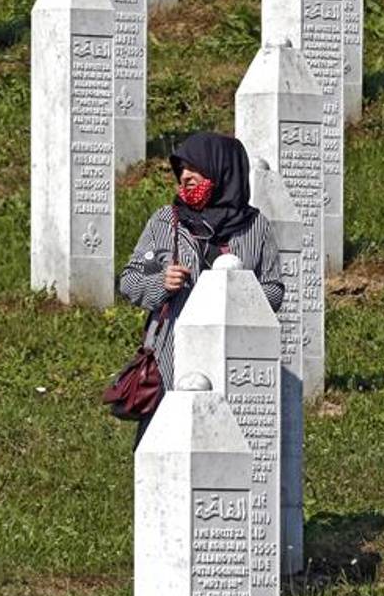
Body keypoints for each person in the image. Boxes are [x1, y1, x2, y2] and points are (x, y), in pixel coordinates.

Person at [119, 132, 284, 444]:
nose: (185, 178)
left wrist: (237, 292)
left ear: (222, 170)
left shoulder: (256, 225)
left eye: (195, 170)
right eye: (181, 171)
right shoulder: (166, 222)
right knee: (166, 440)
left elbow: (274, 290)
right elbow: (130, 280)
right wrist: (161, 281)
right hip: (172, 354)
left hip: (233, 357)